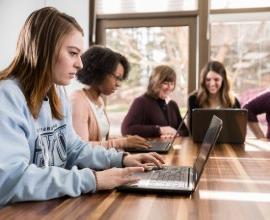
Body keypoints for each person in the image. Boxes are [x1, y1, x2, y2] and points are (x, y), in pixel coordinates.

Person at [0, 7, 164, 206]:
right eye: (73, 53)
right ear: (44, 49)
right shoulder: (7, 97)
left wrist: (121, 159)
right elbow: (10, 180)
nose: (80, 64)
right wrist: (93, 180)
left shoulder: (56, 92)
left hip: (48, 207)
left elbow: (73, 148)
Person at [70, 46, 149, 149]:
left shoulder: (99, 101)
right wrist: (121, 142)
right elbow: (80, 149)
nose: (118, 84)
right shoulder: (78, 101)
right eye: (117, 78)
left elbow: (101, 139)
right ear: (99, 72)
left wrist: (127, 140)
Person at [121, 65, 189, 138]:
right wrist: (159, 130)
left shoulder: (172, 104)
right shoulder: (141, 102)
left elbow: (185, 131)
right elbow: (126, 130)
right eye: (165, 83)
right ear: (154, 83)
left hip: (171, 148)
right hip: (149, 148)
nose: (169, 87)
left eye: (172, 84)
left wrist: (176, 134)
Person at [188, 61, 241, 132]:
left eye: (216, 79)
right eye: (208, 80)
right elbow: (192, 130)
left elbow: (237, 131)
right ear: (203, 81)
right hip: (200, 142)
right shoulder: (194, 99)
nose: (212, 83)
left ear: (223, 80)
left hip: (227, 142)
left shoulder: (233, 101)